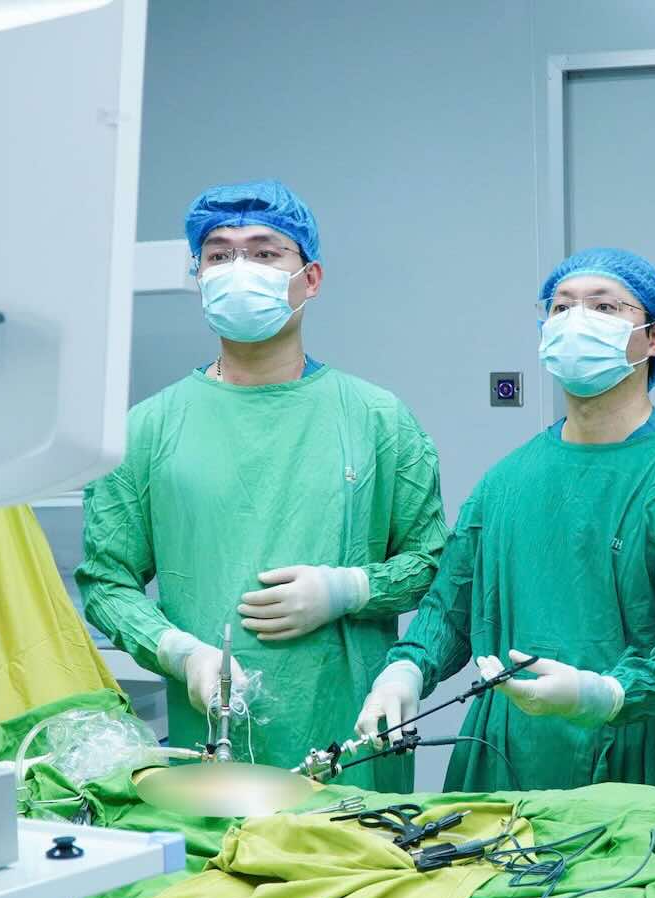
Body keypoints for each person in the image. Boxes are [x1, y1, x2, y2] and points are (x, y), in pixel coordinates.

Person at [78, 180, 448, 789]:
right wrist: (180, 652)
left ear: (311, 278)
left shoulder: (377, 419)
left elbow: (435, 564)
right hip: (214, 763)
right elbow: (105, 583)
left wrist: (350, 588)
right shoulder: (147, 429)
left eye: (265, 252)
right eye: (219, 255)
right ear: (198, 276)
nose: (239, 268)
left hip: (350, 749)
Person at [354, 248, 655, 793]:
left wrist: (607, 694)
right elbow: (451, 607)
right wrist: (407, 670)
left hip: (633, 763)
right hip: (502, 761)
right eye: (561, 308)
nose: (576, 321)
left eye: (603, 307)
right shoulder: (506, 480)